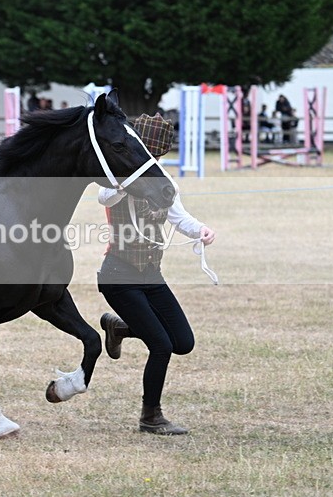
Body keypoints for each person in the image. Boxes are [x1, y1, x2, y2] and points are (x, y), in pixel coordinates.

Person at [97, 113, 216, 435]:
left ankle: (120, 327)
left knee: (183, 342)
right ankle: (150, 417)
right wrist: (126, 181)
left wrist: (201, 230)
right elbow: (104, 196)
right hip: (118, 275)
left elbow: (181, 217)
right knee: (161, 346)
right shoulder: (120, 180)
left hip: (151, 274)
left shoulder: (163, 182)